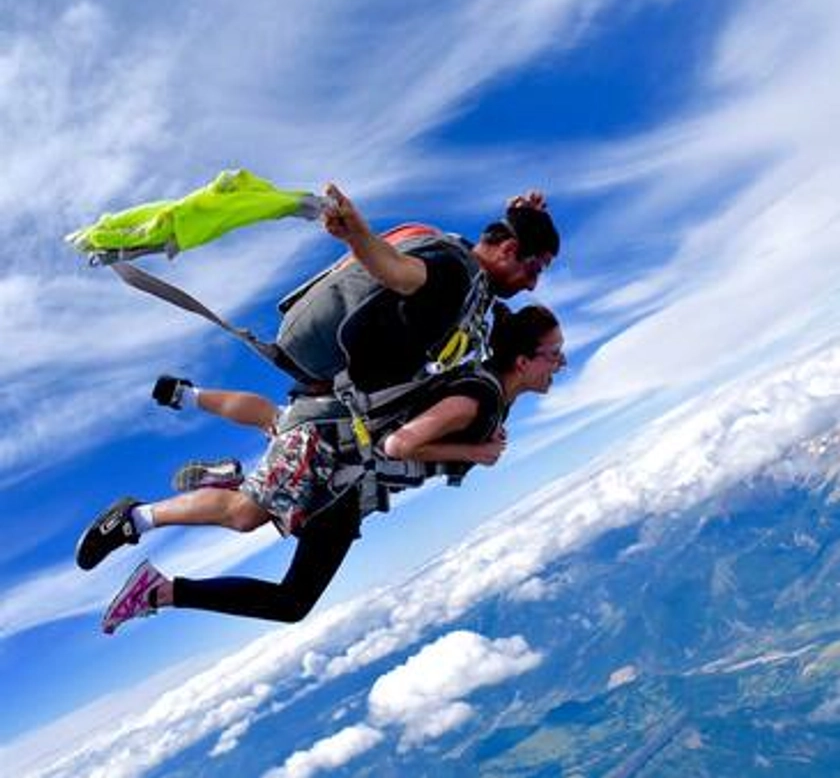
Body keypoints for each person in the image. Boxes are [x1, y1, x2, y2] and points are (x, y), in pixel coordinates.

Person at [76, 305, 566, 633]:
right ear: (522, 360)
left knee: (272, 436)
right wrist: (473, 454)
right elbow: (399, 444)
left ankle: (204, 466)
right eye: (554, 355)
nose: (561, 363)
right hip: (336, 470)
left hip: (340, 468)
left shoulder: (487, 389)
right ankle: (137, 521)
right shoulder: (480, 399)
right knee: (249, 517)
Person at [272, 185, 560, 393]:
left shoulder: (463, 263)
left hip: (319, 367)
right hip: (327, 371)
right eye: (535, 269)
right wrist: (357, 235)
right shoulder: (453, 272)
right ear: (508, 250)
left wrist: (521, 217)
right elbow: (398, 271)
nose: (533, 284)